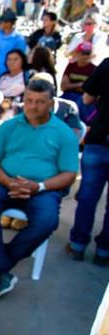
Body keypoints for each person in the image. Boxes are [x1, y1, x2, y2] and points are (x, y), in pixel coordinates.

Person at [0, 77, 79, 299]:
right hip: (6, 182)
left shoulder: (64, 132)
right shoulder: (9, 126)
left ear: (51, 104)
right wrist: (8, 182)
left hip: (44, 189)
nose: (33, 106)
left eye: (40, 102)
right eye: (29, 100)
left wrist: (38, 186)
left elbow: (69, 174)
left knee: (47, 220)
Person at [67, 58, 109, 265]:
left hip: (100, 138)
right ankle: (104, 251)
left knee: (87, 198)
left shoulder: (108, 65)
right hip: (99, 141)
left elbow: (86, 99)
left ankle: (78, 246)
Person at [61, 42, 98, 122]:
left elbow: (91, 92)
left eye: (88, 53)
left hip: (84, 100)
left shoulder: (94, 69)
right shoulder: (71, 66)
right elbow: (63, 86)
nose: (85, 56)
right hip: (68, 96)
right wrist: (80, 84)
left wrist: (72, 85)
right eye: (83, 53)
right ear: (77, 53)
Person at [0, 10, 27, 80]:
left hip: (5, 73)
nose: (0, 24)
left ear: (10, 23)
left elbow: (20, 58)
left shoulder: (18, 39)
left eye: (3, 22)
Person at [0, 49, 32, 117]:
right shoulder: (2, 77)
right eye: (9, 59)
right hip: (1, 109)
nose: (11, 62)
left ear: (22, 61)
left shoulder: (27, 76)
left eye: (15, 59)